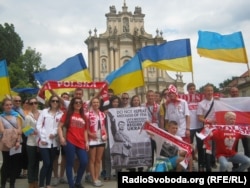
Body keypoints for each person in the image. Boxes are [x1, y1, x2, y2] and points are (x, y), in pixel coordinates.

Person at [58, 97, 89, 188]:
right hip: (70, 141)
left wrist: (86, 142)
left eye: (80, 102)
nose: (78, 104)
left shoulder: (84, 116)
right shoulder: (67, 114)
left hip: (81, 142)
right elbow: (59, 126)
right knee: (70, 163)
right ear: (72, 104)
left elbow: (85, 131)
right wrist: (61, 138)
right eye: (76, 102)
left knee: (84, 162)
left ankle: (78, 182)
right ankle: (71, 185)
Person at [36, 95, 64, 188]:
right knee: (46, 163)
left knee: (51, 163)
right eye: (53, 101)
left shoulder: (61, 113)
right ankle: (41, 185)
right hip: (44, 142)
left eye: (57, 101)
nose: (55, 102)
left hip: (54, 143)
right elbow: (39, 125)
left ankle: (48, 184)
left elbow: (59, 126)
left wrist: (54, 133)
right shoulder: (44, 112)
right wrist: (43, 138)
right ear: (50, 102)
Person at [164, 84, 192, 171]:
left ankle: (188, 168)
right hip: (172, 134)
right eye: (169, 94)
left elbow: (187, 116)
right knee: (175, 152)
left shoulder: (183, 102)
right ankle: (178, 167)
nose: (171, 95)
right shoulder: (167, 104)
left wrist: (187, 129)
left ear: (176, 93)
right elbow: (167, 119)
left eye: (172, 93)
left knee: (187, 151)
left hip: (183, 132)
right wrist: (166, 131)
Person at [0, 98, 22, 188]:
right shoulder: (1, 117)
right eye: (7, 105)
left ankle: (12, 184)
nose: (9, 106)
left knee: (14, 165)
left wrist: (18, 141)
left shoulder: (17, 116)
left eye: (10, 104)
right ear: (3, 106)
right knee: (6, 164)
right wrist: (15, 131)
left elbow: (20, 130)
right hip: (5, 143)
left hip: (15, 143)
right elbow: (2, 130)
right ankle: (3, 184)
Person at [86, 97, 107, 187]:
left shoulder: (102, 114)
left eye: (97, 102)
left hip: (101, 138)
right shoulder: (87, 114)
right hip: (92, 139)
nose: (95, 104)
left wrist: (106, 134)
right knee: (92, 160)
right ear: (91, 104)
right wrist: (90, 134)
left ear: (99, 104)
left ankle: (97, 177)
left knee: (98, 160)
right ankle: (93, 178)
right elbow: (85, 128)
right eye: (94, 102)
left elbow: (103, 126)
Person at [101, 95, 122, 181]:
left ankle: (118, 173)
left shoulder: (121, 111)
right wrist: (104, 115)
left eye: (117, 102)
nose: (115, 103)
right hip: (108, 136)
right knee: (107, 156)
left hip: (118, 137)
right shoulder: (106, 112)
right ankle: (108, 174)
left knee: (118, 155)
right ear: (111, 102)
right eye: (114, 102)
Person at [197, 83, 217, 172]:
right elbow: (200, 118)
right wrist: (209, 122)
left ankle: (214, 161)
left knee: (215, 147)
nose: (209, 92)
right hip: (206, 128)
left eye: (211, 90)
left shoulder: (218, 101)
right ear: (204, 92)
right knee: (207, 148)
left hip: (216, 128)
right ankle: (207, 166)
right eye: (208, 90)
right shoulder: (201, 104)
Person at [52, 92, 70, 186]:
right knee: (55, 157)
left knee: (64, 157)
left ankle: (62, 176)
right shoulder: (54, 110)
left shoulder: (68, 110)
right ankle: (55, 176)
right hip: (53, 137)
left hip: (64, 136)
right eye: (63, 97)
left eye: (67, 98)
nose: (65, 99)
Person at [23, 97, 41, 188]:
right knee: (31, 163)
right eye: (31, 103)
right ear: (29, 105)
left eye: (35, 103)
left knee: (37, 163)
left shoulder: (42, 113)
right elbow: (25, 131)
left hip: (40, 143)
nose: (34, 105)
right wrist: (32, 131)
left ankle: (36, 181)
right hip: (31, 143)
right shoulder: (27, 116)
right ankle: (31, 182)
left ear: (37, 104)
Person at [127, 95, 144, 172]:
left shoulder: (143, 110)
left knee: (140, 151)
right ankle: (132, 168)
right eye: (134, 100)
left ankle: (141, 168)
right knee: (132, 151)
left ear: (139, 101)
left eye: (137, 100)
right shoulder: (128, 110)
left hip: (140, 134)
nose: (136, 101)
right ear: (132, 101)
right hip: (131, 134)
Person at [12, 95, 27, 179]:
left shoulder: (21, 110)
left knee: (19, 155)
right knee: (12, 156)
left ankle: (17, 173)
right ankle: (9, 175)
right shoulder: (10, 110)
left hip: (23, 135)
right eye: (16, 101)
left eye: (19, 101)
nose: (18, 102)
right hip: (13, 136)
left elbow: (24, 123)